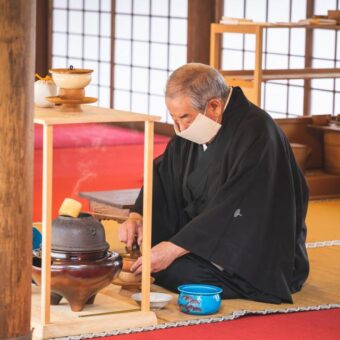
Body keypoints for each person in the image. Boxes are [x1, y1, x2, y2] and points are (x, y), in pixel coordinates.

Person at [118, 63, 309, 304]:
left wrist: (175, 247)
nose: (180, 128)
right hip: (203, 242)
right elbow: (164, 174)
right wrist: (138, 215)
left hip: (254, 252)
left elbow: (237, 207)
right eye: (174, 118)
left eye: (185, 118)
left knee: (175, 271)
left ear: (214, 106)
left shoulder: (258, 134)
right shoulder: (196, 128)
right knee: (149, 258)